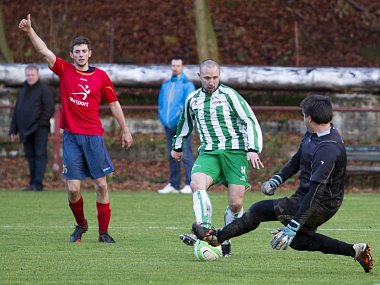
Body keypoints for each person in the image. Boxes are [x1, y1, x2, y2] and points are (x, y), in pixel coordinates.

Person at [192, 94, 373, 273]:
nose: (303, 118)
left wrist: (294, 225)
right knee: (300, 241)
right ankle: (356, 250)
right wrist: (277, 179)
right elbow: (298, 159)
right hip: (307, 196)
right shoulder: (313, 134)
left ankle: (217, 237)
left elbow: (317, 192)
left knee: (259, 210)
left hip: (321, 202)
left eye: (303, 115)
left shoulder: (328, 148)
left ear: (309, 118)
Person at [18, 14, 133, 243]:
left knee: (101, 184)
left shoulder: (101, 77)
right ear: (72, 54)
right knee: (72, 189)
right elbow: (44, 52)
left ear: (90, 53)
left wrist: (125, 129)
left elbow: (113, 103)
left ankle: (103, 233)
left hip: (94, 137)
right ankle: (81, 225)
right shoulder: (65, 70)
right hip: (71, 137)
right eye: (77, 51)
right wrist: (30, 30)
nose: (81, 54)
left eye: (84, 51)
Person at [172, 59, 264, 256]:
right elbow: (184, 124)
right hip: (209, 152)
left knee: (236, 204)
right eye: (207, 78)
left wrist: (253, 148)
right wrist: (177, 146)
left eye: (215, 77)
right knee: (197, 183)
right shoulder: (193, 99)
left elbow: (250, 120)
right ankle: (205, 230)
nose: (211, 82)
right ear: (200, 77)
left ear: (219, 76)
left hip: (235, 152)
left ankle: (225, 238)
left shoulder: (230, 95)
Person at [9, 64, 55, 191]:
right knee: (30, 156)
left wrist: (40, 123)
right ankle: (32, 183)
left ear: (37, 75)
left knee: (40, 154)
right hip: (25, 130)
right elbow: (17, 111)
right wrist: (13, 129)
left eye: (32, 75)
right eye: (28, 75)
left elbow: (49, 109)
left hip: (40, 129)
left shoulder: (44, 89)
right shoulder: (23, 91)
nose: (30, 77)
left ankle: (37, 183)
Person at [157, 56, 195, 194]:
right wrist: (163, 118)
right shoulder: (166, 85)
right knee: (172, 154)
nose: (175, 68)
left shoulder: (187, 85)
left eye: (178, 66)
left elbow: (189, 105)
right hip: (168, 125)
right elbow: (161, 104)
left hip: (182, 126)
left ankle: (190, 184)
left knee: (186, 155)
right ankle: (174, 184)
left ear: (182, 67)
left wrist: (181, 120)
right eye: (173, 65)